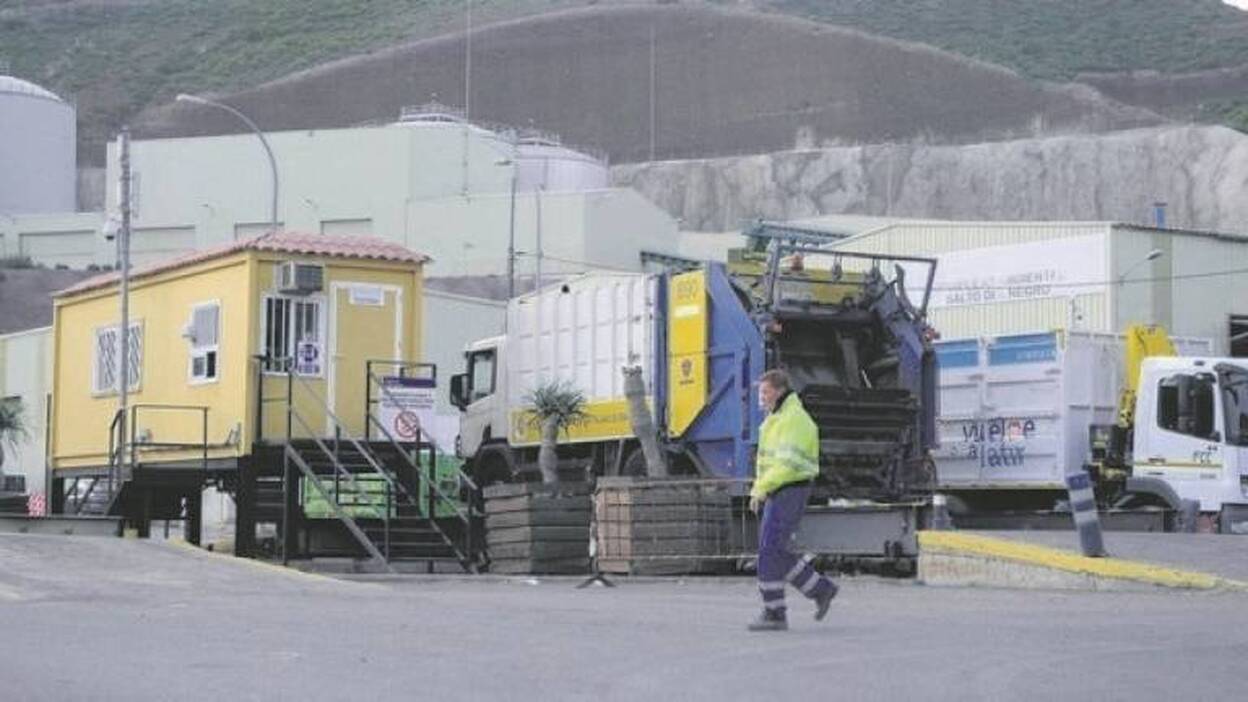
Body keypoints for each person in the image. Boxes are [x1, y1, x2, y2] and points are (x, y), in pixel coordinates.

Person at [747, 369, 838, 632]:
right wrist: (760, 488)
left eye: (765, 392)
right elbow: (770, 464)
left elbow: (788, 465)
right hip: (781, 490)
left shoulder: (793, 420)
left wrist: (760, 489)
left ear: (779, 391)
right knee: (774, 551)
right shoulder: (777, 419)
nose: (761, 398)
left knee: (769, 552)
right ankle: (820, 591)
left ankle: (775, 613)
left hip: (789, 489)